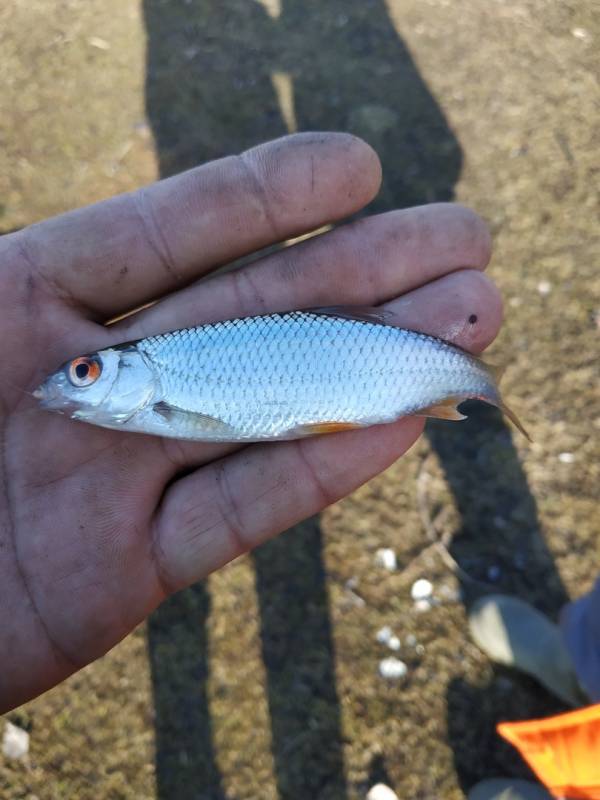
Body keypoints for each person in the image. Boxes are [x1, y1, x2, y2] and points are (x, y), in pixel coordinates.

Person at [0, 131, 500, 713]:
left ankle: (460, 383)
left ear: (130, 370)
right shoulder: (148, 395)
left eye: (85, 372)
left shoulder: (158, 389)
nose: (70, 383)